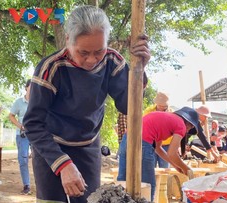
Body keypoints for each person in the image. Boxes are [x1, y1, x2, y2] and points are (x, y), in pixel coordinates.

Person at [23, 5, 150, 203]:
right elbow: (32, 124)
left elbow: (128, 107)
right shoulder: (51, 68)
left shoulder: (112, 62)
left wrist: (139, 71)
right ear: (67, 41)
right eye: (83, 52)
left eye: (98, 51)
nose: (91, 60)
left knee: (89, 199)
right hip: (51, 147)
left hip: (88, 146)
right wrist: (63, 164)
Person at [117, 107, 219, 201]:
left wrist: (175, 165)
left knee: (123, 179)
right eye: (190, 128)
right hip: (143, 143)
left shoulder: (167, 119)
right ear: (189, 124)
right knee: (148, 185)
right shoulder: (181, 125)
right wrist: (186, 168)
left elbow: (158, 148)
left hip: (126, 139)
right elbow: (172, 153)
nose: (187, 131)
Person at [9, 79, 32, 195]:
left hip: (36, 135)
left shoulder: (38, 101)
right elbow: (11, 116)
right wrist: (20, 126)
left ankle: (44, 187)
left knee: (41, 159)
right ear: (26, 87)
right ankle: (27, 185)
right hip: (22, 135)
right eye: (31, 87)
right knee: (23, 160)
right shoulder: (19, 102)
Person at [143, 91, 172, 168]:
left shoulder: (172, 114)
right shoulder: (148, 112)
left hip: (166, 145)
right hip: (151, 144)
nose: (162, 107)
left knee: (165, 169)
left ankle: (165, 181)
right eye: (160, 105)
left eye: (164, 106)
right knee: (150, 168)